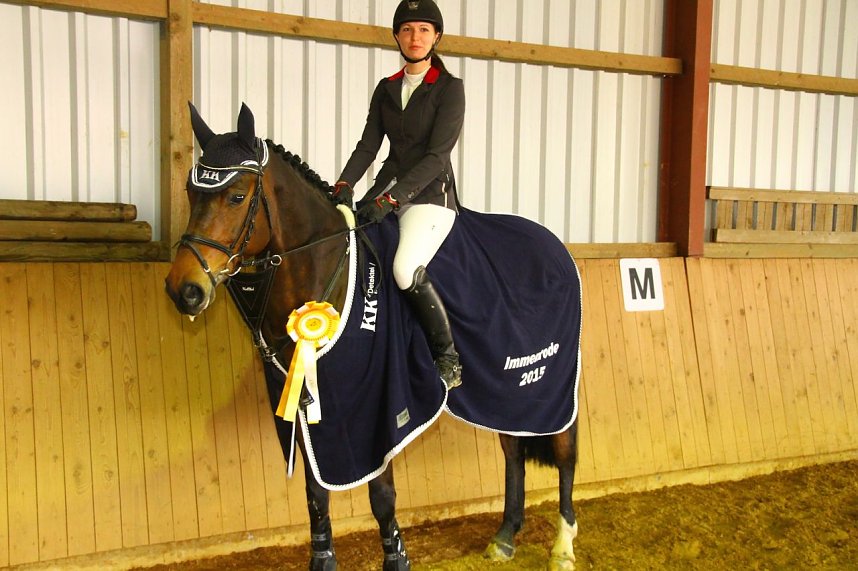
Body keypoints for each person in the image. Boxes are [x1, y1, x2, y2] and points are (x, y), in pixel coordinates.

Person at [334, 0, 465, 389]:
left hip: (430, 196)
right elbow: (368, 145)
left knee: (404, 268)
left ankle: (447, 357)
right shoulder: (387, 88)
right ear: (396, 36)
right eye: (407, 30)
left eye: (424, 30)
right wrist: (344, 185)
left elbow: (437, 155)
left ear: (436, 37)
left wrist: (391, 199)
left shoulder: (449, 89)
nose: (415, 37)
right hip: (387, 188)